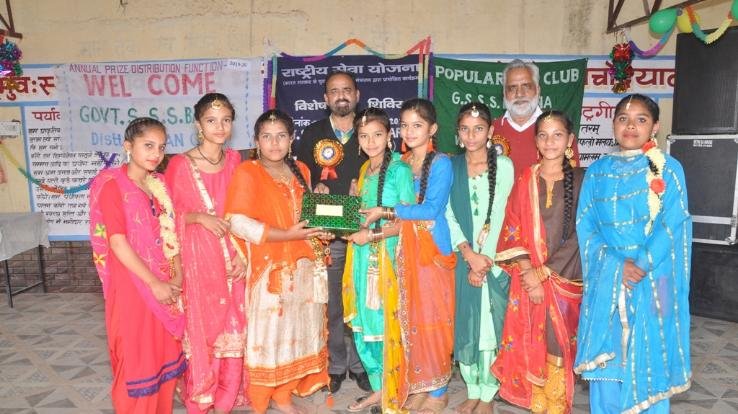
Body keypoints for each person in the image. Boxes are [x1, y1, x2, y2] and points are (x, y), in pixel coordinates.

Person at [574, 94, 691, 413]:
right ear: (613, 124)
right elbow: (586, 225)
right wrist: (617, 265)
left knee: (653, 353)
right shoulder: (597, 171)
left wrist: (641, 264)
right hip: (608, 278)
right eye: (623, 119)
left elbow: (673, 222)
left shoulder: (669, 169)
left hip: (657, 279)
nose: (630, 126)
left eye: (641, 119)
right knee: (608, 362)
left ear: (655, 127)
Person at [225, 109, 332, 414]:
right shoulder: (248, 172)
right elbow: (237, 222)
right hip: (270, 270)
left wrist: (322, 217)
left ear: (291, 139)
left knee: (296, 333)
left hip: (304, 267)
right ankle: (260, 402)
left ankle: (283, 396)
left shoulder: (301, 170)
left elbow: (307, 216)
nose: (274, 143)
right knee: (268, 336)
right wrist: (285, 235)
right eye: (267, 136)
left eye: (281, 136)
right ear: (257, 141)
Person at [363, 98, 455, 413]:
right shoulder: (401, 162)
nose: (410, 131)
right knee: (410, 319)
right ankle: (420, 385)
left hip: (432, 251)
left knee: (434, 321)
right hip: (403, 250)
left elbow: (431, 208)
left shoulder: (440, 163)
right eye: (404, 125)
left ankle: (439, 391)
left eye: (417, 125)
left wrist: (386, 210)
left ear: (433, 129)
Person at [88, 117, 185, 412]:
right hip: (133, 285)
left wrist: (177, 275)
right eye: (148, 145)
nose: (156, 153)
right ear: (128, 146)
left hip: (165, 282)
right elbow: (117, 242)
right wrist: (154, 283)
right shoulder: (112, 186)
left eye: (161, 147)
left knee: (163, 356)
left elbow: (171, 232)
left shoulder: (158, 184)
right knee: (138, 361)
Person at [491, 111, 584, 414]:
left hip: (565, 278)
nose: (550, 141)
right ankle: (537, 402)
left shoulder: (582, 180)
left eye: (558, 135)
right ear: (536, 141)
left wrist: (543, 273)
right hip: (527, 278)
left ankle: (556, 404)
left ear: (570, 140)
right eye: (543, 135)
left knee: (557, 344)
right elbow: (512, 226)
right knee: (531, 339)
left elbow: (583, 233)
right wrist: (529, 273)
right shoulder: (525, 178)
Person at [164, 93, 246, 413]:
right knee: (204, 331)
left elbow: (245, 212)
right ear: (198, 124)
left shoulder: (236, 161)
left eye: (226, 120)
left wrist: (243, 254)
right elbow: (166, 217)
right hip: (199, 260)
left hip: (233, 254)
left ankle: (224, 402)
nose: (220, 127)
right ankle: (200, 399)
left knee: (234, 328)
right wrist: (198, 217)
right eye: (212, 120)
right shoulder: (180, 164)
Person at [293, 70, 371, 393]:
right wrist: (314, 187)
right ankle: (337, 365)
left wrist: (364, 189)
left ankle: (363, 364)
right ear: (326, 98)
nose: (341, 95)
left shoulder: (370, 130)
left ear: (357, 95)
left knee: (364, 301)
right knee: (334, 304)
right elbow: (299, 180)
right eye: (334, 91)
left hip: (364, 233)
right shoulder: (313, 133)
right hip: (328, 235)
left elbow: (384, 173)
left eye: (347, 90)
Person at [342, 108, 415, 413]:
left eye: (377, 135)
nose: (370, 141)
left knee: (385, 325)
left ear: (389, 137)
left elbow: (409, 220)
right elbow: (361, 215)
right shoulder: (364, 170)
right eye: (364, 136)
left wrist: (371, 235)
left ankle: (393, 393)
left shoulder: (400, 170)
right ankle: (379, 389)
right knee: (364, 325)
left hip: (385, 260)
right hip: (360, 258)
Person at [445, 102, 514, 414]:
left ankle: (488, 393)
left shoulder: (505, 166)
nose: (471, 135)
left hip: (493, 262)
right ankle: (472, 388)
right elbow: (446, 213)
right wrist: (468, 254)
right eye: (465, 129)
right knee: (466, 322)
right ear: (457, 133)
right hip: (462, 258)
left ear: (490, 131)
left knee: (489, 328)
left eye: (478, 129)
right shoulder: (451, 167)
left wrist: (484, 262)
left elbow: (501, 216)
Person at [493, 59, 580, 177]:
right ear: (504, 93)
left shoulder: (560, 130)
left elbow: (573, 180)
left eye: (526, 86)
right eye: (512, 88)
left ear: (538, 90)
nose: (519, 94)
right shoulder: (490, 131)